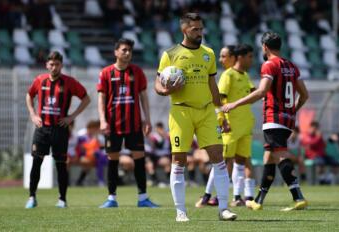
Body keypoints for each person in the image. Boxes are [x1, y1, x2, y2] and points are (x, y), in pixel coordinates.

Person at [155, 12, 237, 222]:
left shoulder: (208, 53)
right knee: (179, 160)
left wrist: (222, 114)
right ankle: (180, 211)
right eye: (195, 29)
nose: (200, 33)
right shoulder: (170, 54)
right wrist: (166, 91)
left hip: (207, 111)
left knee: (219, 157)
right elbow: (157, 84)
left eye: (201, 29)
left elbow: (213, 86)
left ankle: (223, 209)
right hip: (181, 111)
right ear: (185, 30)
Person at [223, 31, 309, 211]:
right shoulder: (292, 66)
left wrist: (235, 104)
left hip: (273, 117)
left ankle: (297, 196)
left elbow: (261, 92)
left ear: (265, 47)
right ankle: (258, 200)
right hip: (287, 119)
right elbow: (304, 95)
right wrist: (291, 111)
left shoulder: (269, 65)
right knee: (268, 157)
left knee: (280, 154)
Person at [97, 38, 159, 208]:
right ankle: (111, 198)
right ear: (116, 52)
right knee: (113, 159)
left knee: (139, 158)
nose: (127, 53)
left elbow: (143, 96)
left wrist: (147, 119)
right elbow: (101, 98)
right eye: (124, 50)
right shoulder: (106, 73)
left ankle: (143, 198)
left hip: (134, 125)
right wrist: (102, 120)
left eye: (130, 50)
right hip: (113, 125)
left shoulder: (137, 72)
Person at [25, 51, 90, 208]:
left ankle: (62, 199)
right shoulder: (40, 80)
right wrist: (33, 115)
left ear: (61, 65)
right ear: (47, 64)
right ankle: (32, 197)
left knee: (61, 164)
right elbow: (29, 95)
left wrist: (71, 117)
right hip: (42, 129)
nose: (54, 67)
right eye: (51, 64)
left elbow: (86, 98)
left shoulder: (69, 82)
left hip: (60, 130)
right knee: (37, 162)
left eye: (57, 64)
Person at [196, 44, 256, 208]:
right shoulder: (227, 75)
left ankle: (238, 197)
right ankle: (207, 196)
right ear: (240, 57)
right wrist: (223, 120)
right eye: (250, 56)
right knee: (222, 161)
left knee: (241, 161)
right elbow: (220, 100)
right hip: (231, 126)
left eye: (223, 56)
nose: (221, 60)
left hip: (245, 126)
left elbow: (255, 93)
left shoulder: (244, 76)